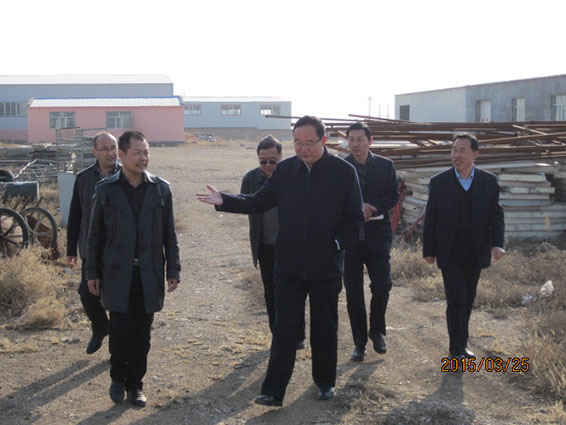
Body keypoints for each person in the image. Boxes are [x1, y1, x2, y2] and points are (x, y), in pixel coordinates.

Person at [197, 115, 363, 406]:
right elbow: (258, 201)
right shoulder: (285, 171)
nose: (303, 148)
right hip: (288, 266)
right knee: (285, 328)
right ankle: (273, 390)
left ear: (323, 140)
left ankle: (325, 382)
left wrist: (335, 244)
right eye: (297, 143)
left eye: (309, 143)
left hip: (325, 266)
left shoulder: (343, 172)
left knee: (324, 327)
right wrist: (226, 200)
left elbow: (355, 219)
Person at [86, 131, 181, 406]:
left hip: (148, 273)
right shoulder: (106, 190)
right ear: (122, 155)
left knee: (142, 334)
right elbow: (94, 237)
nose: (143, 158)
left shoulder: (160, 189)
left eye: (146, 152)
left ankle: (135, 385)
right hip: (117, 274)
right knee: (120, 331)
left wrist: (173, 269)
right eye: (137, 153)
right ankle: (117, 380)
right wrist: (92, 272)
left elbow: (169, 234)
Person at [423, 133, 505, 358]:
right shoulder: (439, 182)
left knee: (468, 298)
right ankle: (456, 349)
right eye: (454, 150)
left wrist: (497, 244)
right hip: (449, 250)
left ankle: (461, 343)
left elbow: (496, 216)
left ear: (475, 154)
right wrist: (428, 250)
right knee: (456, 298)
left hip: (476, 250)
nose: (456, 155)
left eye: (462, 151)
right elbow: (431, 218)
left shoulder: (488, 181)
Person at [240, 135, 305, 347]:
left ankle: (298, 335)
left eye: (272, 161)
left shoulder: (295, 176)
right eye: (263, 161)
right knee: (271, 293)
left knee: (294, 292)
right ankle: (278, 335)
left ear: (281, 157)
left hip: (293, 246)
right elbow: (246, 204)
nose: (268, 165)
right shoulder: (251, 179)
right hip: (265, 247)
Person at [343, 122, 399, 362]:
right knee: (354, 293)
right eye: (351, 139)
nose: (355, 144)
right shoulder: (341, 167)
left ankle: (377, 332)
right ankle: (359, 343)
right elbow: (335, 198)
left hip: (378, 238)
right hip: (350, 240)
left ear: (370, 141)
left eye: (360, 139)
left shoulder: (386, 166)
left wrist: (372, 207)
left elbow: (393, 195)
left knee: (382, 285)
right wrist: (358, 208)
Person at [66, 131, 120, 354]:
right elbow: (75, 216)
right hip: (91, 248)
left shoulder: (127, 176)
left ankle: (117, 348)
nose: (110, 153)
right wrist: (71, 249)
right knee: (87, 294)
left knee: (118, 299)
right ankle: (100, 327)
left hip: (119, 249)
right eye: (105, 149)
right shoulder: (84, 179)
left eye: (113, 148)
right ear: (95, 152)